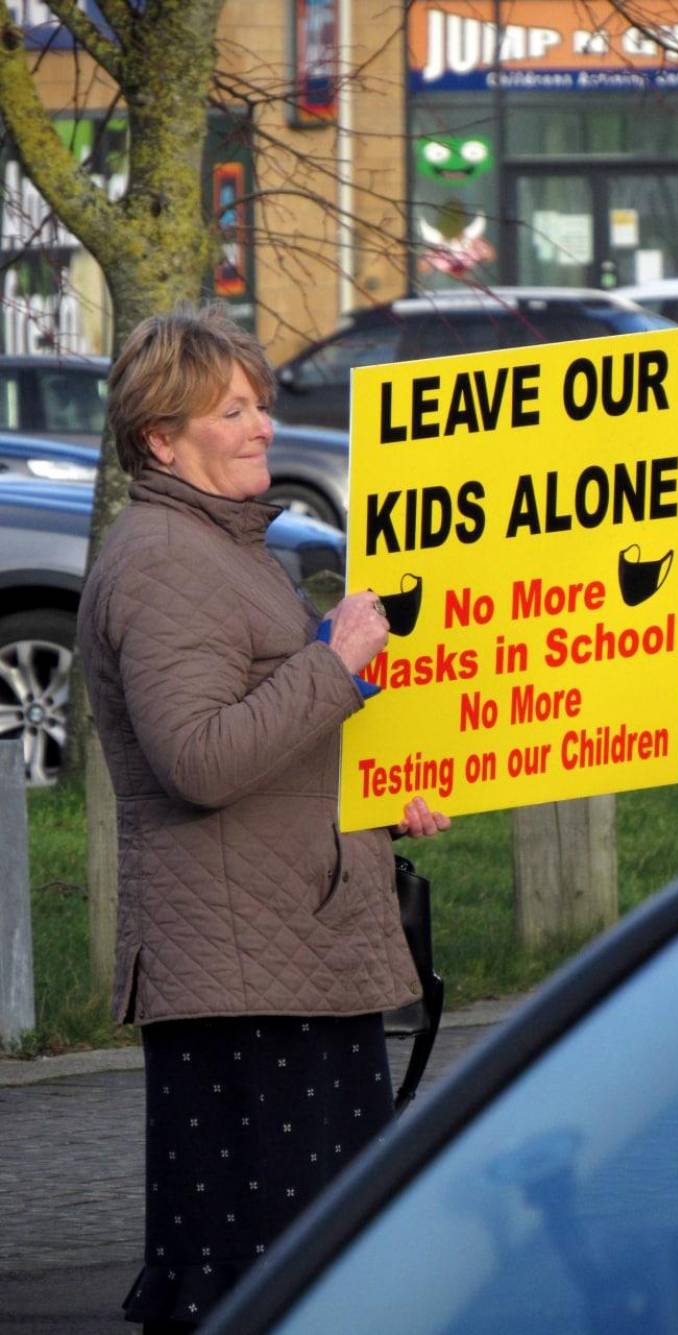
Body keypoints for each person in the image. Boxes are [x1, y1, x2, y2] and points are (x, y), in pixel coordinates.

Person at [76, 304, 449, 1333]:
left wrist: (378, 800)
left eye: (261, 405)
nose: (261, 426)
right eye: (232, 410)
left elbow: (278, 745)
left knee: (301, 1263)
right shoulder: (162, 563)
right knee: (261, 1276)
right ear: (162, 437)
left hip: (283, 954)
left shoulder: (221, 549)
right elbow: (199, 758)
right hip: (243, 980)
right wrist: (335, 663)